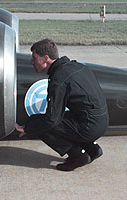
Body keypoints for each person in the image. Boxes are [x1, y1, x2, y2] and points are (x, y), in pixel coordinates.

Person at [15, 38, 109, 171]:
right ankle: (92, 148)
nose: (31, 62)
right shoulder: (76, 66)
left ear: (45, 58)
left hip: (89, 126)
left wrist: (28, 128)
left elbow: (51, 120)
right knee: (62, 118)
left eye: (34, 58)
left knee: (39, 122)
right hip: (101, 120)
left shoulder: (58, 80)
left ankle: (77, 156)